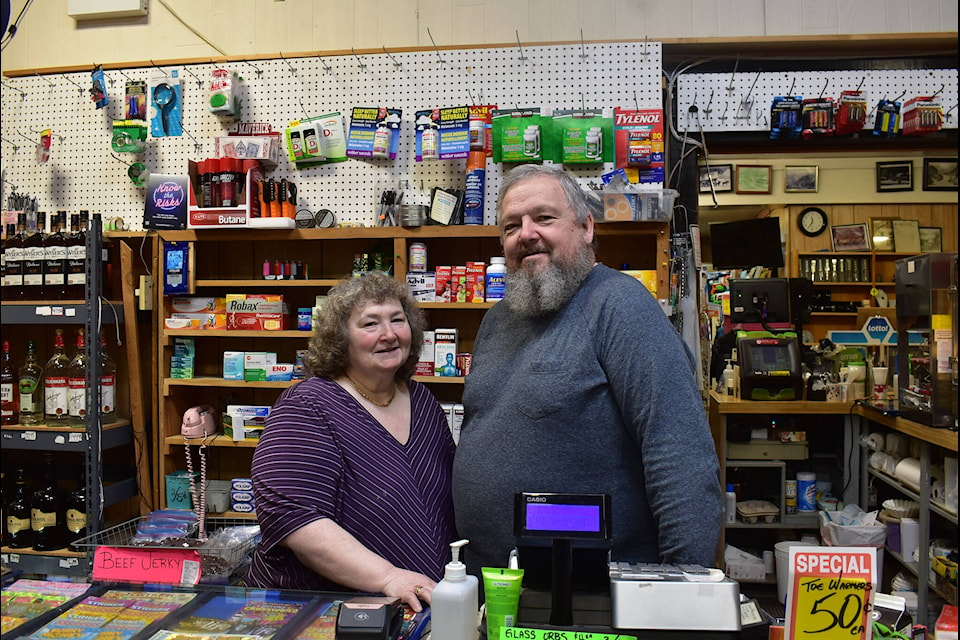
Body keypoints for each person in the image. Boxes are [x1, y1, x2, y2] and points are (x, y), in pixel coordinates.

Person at [452, 165, 722, 577]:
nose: (526, 234)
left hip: (591, 590)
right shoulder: (498, 319)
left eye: (544, 218)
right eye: (511, 226)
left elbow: (679, 453)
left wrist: (685, 587)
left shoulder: (620, 307)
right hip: (494, 583)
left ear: (586, 227)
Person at [248, 272, 457, 611]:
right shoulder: (308, 405)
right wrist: (389, 576)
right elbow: (294, 518)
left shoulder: (422, 400)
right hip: (320, 611)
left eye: (397, 320)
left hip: (415, 604)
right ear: (340, 338)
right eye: (370, 324)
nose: (388, 334)